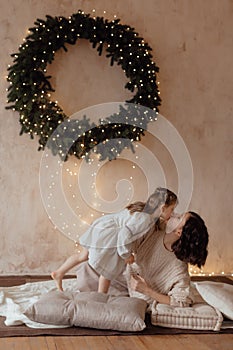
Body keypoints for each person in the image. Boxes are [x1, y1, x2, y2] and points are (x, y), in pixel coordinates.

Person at [51, 187, 177, 293]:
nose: (172, 213)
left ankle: (59, 272)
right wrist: (126, 255)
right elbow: (124, 234)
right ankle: (101, 297)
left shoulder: (143, 212)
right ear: (162, 208)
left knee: (83, 256)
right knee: (107, 271)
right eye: (171, 209)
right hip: (111, 237)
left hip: (103, 227)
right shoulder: (145, 219)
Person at [128, 211, 209, 306]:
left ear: (179, 232)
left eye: (179, 218)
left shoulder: (178, 267)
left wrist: (147, 291)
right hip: (124, 279)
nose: (174, 214)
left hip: (140, 301)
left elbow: (181, 302)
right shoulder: (154, 230)